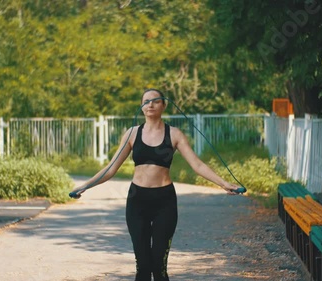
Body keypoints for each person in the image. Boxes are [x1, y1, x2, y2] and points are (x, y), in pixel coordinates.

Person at [70, 89, 241, 281]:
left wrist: (224, 183)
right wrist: (85, 185)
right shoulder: (132, 134)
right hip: (137, 201)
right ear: (141, 107)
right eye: (146, 101)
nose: (150, 105)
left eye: (155, 101)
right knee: (143, 266)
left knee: (158, 266)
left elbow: (197, 164)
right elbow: (111, 168)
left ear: (164, 105)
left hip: (164, 202)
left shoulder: (174, 134)